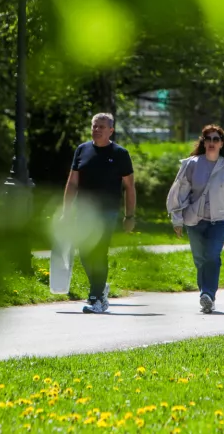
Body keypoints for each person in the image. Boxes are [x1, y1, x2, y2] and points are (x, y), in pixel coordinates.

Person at [166, 124, 224, 314]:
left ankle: (208, 294)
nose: (211, 143)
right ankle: (205, 295)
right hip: (195, 220)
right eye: (208, 139)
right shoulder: (191, 164)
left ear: (221, 144)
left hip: (220, 220)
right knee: (200, 259)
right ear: (203, 143)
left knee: (212, 255)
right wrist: (177, 219)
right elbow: (179, 193)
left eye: (215, 139)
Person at [62, 112, 136, 314]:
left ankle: (95, 299)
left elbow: (129, 187)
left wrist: (129, 216)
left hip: (107, 212)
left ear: (111, 130)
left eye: (101, 127)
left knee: (98, 251)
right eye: (94, 126)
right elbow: (72, 182)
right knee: (85, 253)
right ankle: (101, 288)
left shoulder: (120, 154)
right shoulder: (82, 150)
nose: (96, 130)